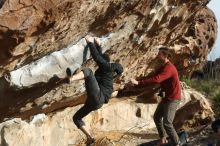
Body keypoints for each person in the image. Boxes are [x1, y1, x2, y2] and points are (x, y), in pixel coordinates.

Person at [65, 35, 123, 145]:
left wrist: (90, 43)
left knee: (88, 72)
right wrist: (99, 45)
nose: (99, 63)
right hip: (96, 103)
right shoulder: (107, 72)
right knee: (76, 118)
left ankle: (71, 78)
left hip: (98, 97)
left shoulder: (107, 67)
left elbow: (97, 57)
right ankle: (90, 137)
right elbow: (100, 57)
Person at [128, 47, 181, 146]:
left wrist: (138, 83)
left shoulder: (169, 68)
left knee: (167, 123)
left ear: (165, 55)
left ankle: (177, 143)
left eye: (159, 54)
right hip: (166, 98)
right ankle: (163, 139)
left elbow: (157, 79)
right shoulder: (163, 67)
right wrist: (136, 84)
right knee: (157, 117)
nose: (157, 55)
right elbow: (153, 77)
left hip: (173, 99)